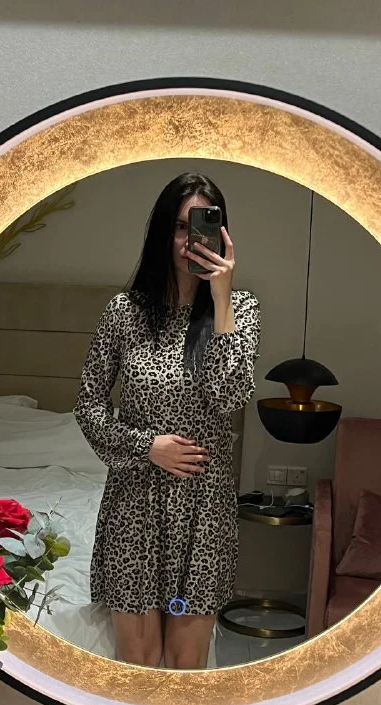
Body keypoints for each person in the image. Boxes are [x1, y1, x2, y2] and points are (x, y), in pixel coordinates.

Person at [74, 172, 260, 669]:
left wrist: (221, 298)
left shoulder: (241, 309)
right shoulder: (124, 313)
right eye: (180, 227)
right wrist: (147, 447)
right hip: (134, 505)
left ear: (221, 235)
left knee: (185, 667)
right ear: (162, 232)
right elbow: (88, 406)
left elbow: (228, 396)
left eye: (201, 226)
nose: (189, 241)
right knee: (138, 663)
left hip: (204, 511)